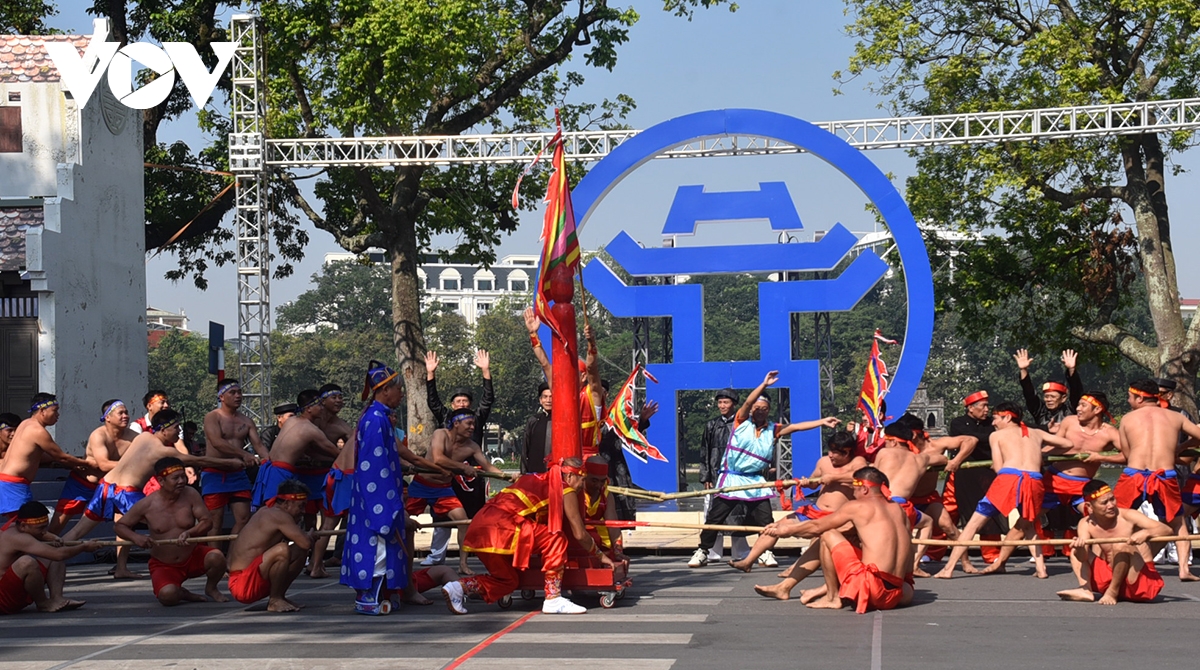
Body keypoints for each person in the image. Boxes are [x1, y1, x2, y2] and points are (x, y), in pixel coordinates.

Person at [61, 410, 244, 579]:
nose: (179, 432)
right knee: (167, 524)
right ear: (164, 430)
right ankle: (181, 562)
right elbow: (199, 460)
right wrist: (230, 463)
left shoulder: (143, 437)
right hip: (127, 492)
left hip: (106, 486)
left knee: (81, 530)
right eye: (176, 428)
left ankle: (117, 567)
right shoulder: (163, 451)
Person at [688, 371, 839, 568]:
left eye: (764, 409)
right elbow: (749, 401)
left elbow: (797, 427)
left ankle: (765, 551)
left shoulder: (772, 429)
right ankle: (703, 551)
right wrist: (764, 384)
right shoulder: (741, 422)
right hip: (733, 478)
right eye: (757, 408)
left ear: (768, 411)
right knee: (715, 517)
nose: (760, 411)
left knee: (765, 519)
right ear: (751, 410)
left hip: (756, 481)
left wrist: (822, 422)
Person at [442, 457, 615, 615]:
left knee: (508, 581)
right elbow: (579, 533)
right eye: (582, 479)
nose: (581, 485)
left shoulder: (532, 478)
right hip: (502, 527)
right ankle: (553, 597)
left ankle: (459, 587)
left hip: (480, 526)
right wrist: (600, 555)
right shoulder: (565, 488)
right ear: (570, 477)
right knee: (555, 538)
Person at [934, 402, 1073, 579]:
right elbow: (1067, 443)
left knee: (974, 523)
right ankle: (1041, 569)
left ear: (1007, 417)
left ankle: (948, 569)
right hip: (1034, 479)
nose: (993, 422)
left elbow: (998, 468)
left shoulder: (997, 435)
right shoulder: (1037, 433)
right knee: (1028, 524)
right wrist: (1041, 452)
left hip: (1009, 477)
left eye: (996, 418)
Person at [763, 466, 914, 613]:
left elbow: (817, 526)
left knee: (828, 534)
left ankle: (832, 597)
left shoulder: (857, 506)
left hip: (872, 591)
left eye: (854, 489)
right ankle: (789, 587)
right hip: (898, 593)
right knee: (850, 539)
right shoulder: (899, 510)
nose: (853, 493)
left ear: (865, 489)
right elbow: (909, 552)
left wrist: (787, 530)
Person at [739, 430, 865, 591]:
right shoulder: (824, 462)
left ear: (847, 452)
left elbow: (860, 478)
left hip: (836, 517)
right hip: (815, 510)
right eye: (830, 451)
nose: (831, 455)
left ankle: (793, 583)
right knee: (775, 527)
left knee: (817, 547)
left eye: (835, 452)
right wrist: (807, 483)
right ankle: (748, 561)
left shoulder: (858, 462)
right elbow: (814, 482)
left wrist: (834, 478)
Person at [342, 360, 414, 615]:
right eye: (399, 389)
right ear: (385, 390)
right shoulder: (375, 419)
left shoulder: (378, 417)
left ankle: (382, 592)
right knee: (378, 546)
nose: (402, 394)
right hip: (377, 498)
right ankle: (368, 596)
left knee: (384, 546)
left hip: (381, 494)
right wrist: (388, 504)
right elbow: (374, 467)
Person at [1115, 378, 1200, 581]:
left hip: (1134, 473)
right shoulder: (1175, 417)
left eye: (1130, 397)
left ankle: (1112, 562)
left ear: (1139, 398)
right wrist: (1178, 448)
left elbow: (1126, 453)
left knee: (1115, 517)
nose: (1128, 401)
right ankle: (1183, 569)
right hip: (1164, 473)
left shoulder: (1128, 419)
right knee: (1178, 522)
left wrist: (1178, 448)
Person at [114, 457, 229, 605]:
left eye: (183, 476)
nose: (181, 481)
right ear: (161, 481)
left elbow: (207, 521)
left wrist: (190, 532)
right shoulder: (147, 504)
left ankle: (211, 588)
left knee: (217, 557)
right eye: (176, 478)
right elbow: (120, 526)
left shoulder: (191, 494)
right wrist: (137, 538)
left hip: (192, 555)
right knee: (168, 596)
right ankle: (183, 593)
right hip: (164, 564)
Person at [422, 351, 495, 567]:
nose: (461, 403)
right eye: (457, 401)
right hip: (448, 475)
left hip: (472, 476)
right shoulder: (446, 420)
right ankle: (436, 555)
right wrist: (430, 374)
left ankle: (478, 554)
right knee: (442, 516)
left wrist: (485, 371)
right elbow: (433, 402)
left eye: (465, 401)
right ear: (453, 406)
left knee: (473, 517)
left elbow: (488, 399)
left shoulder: (477, 419)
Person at [413, 409, 505, 575]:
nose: (472, 428)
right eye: (469, 424)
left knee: (463, 521)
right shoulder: (440, 434)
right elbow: (438, 458)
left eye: (473, 425)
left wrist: (507, 476)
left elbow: (488, 467)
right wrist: (463, 467)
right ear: (456, 423)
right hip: (421, 484)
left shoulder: (472, 446)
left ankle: (463, 563)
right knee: (399, 516)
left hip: (443, 489)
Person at [1057, 480, 1170, 604]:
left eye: (1112, 499)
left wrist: (1146, 533)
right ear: (1089, 507)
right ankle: (1085, 589)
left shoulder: (1129, 515)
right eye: (1104, 503)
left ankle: (1112, 592)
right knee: (1074, 550)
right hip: (1110, 578)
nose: (1111, 505)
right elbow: (1082, 557)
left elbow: (1166, 529)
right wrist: (1079, 549)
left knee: (1121, 545)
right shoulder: (1085, 523)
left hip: (1138, 581)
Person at [1, 394, 98, 516]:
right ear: (42, 411)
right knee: (24, 527)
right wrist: (87, 463)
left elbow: (31, 455)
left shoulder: (25, 423)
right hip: (13, 486)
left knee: (20, 526)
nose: (58, 415)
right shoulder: (38, 431)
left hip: (9, 483)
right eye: (55, 411)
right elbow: (61, 456)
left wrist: (71, 463)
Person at [49, 399, 135, 534]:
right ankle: (43, 552)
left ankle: (122, 556)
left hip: (108, 487)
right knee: (57, 525)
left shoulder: (133, 437)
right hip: (81, 484)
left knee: (123, 522)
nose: (125, 416)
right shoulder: (98, 435)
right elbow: (104, 465)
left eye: (126, 412)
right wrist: (132, 466)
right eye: (121, 413)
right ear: (108, 417)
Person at [227, 479, 313, 611]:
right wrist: (310, 535)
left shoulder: (272, 512)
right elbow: (306, 542)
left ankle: (280, 596)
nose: (303, 511)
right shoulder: (278, 515)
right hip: (242, 585)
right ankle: (275, 599)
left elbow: (303, 545)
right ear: (287, 503)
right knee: (282, 550)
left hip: (253, 578)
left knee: (299, 551)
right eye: (300, 506)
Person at [0, 501, 100, 614]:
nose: (44, 532)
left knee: (51, 558)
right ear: (23, 526)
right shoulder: (17, 537)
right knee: (27, 562)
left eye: (45, 527)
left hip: (13, 591)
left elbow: (47, 540)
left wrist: (53, 537)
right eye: (41, 528)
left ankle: (57, 598)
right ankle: (43, 604)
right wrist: (84, 547)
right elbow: (59, 554)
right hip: (2, 599)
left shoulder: (17, 526)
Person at [252, 390, 340, 511]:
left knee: (269, 512)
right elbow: (336, 452)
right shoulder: (311, 430)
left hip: (271, 469)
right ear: (309, 408)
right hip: (281, 472)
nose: (322, 408)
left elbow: (300, 448)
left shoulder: (291, 421)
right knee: (277, 513)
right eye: (319, 405)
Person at [202, 380, 268, 538]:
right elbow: (217, 443)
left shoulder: (246, 421)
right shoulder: (212, 417)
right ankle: (215, 559)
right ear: (221, 396)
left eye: (239, 392)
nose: (238, 396)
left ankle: (233, 556)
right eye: (233, 392)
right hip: (214, 474)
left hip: (237, 475)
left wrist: (271, 462)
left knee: (244, 518)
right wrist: (244, 454)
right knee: (215, 521)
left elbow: (258, 445)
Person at [945, 390, 1004, 557]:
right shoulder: (958, 423)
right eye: (983, 406)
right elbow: (973, 438)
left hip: (985, 474)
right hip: (962, 474)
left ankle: (992, 554)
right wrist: (991, 437)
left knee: (989, 513)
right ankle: (934, 552)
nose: (987, 410)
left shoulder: (990, 424)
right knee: (948, 512)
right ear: (971, 408)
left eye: (987, 406)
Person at [699, 388, 749, 564]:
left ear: (734, 404)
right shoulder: (711, 425)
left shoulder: (743, 424)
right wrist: (706, 476)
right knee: (713, 513)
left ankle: (740, 552)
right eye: (720, 402)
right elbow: (704, 450)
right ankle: (712, 552)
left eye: (726, 402)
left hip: (736, 474)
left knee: (738, 513)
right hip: (715, 474)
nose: (722, 405)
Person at [1014, 349, 1083, 430]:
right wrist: (1023, 370)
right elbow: (1029, 393)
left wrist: (1071, 369)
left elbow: (1076, 391)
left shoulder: (1070, 410)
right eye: (1046, 396)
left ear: (1063, 398)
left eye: (1053, 397)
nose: (1049, 400)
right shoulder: (1040, 411)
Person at [521, 382, 552, 474]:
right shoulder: (533, 421)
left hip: (554, 473)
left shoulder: (561, 420)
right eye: (545, 397)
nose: (548, 400)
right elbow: (525, 449)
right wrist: (523, 473)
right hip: (534, 472)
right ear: (540, 400)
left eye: (551, 397)